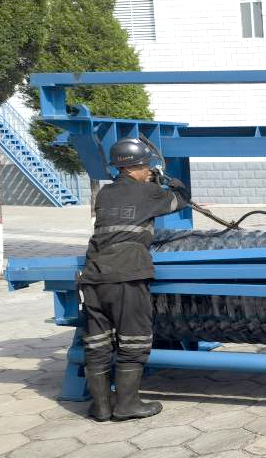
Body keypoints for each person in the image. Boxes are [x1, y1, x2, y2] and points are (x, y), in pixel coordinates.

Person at [78, 138, 190, 422]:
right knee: (134, 339)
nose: (149, 170)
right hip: (126, 274)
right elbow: (180, 201)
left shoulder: (105, 194)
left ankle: (101, 407)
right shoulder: (148, 192)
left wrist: (152, 182)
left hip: (93, 276)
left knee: (97, 342)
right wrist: (171, 182)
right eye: (145, 166)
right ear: (131, 168)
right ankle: (127, 405)